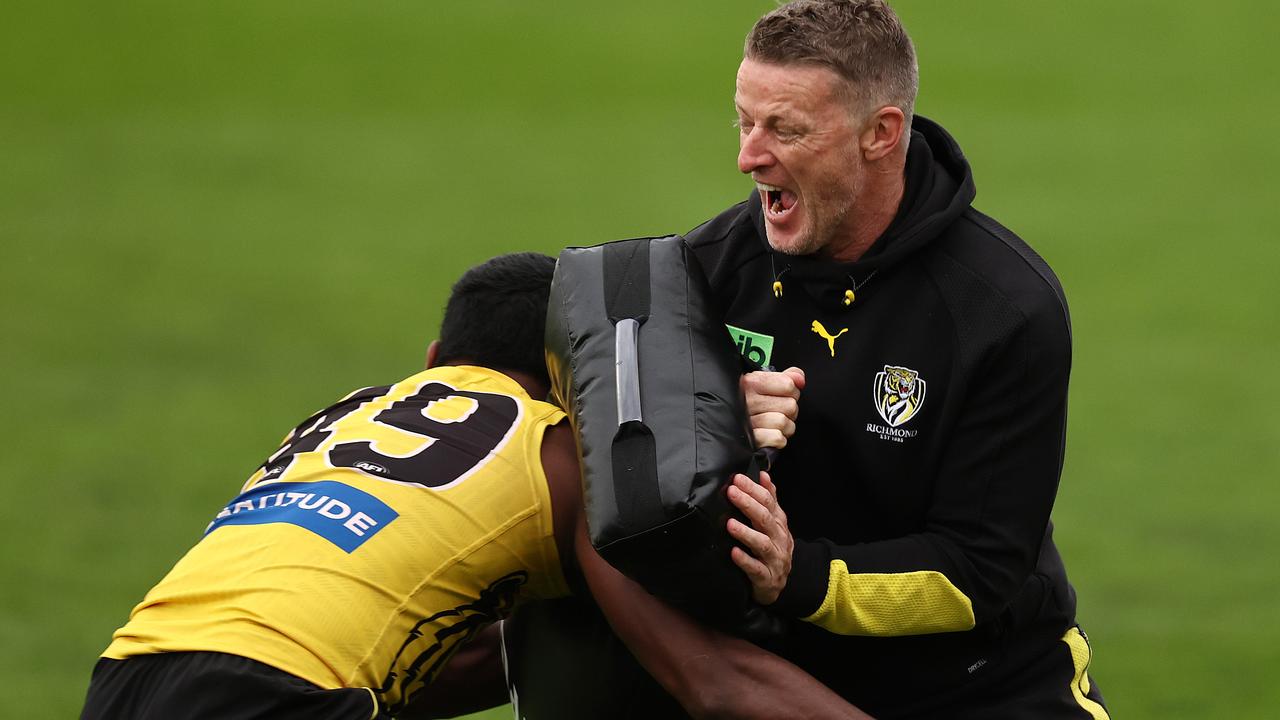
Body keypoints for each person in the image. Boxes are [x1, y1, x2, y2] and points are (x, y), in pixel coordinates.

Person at [503, 2, 1110, 718]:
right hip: (775, 680)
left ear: (879, 134)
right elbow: (612, 492)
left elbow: (978, 572)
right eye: (744, 120)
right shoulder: (699, 275)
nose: (748, 156)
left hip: (982, 685)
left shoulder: (1004, 309)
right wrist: (713, 425)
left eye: (785, 129)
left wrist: (802, 576)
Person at [80, 253, 871, 720]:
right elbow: (710, 679)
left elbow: (430, 656)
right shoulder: (561, 448)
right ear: (572, 383)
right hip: (281, 697)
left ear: (435, 359)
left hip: (129, 672)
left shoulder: (340, 418)